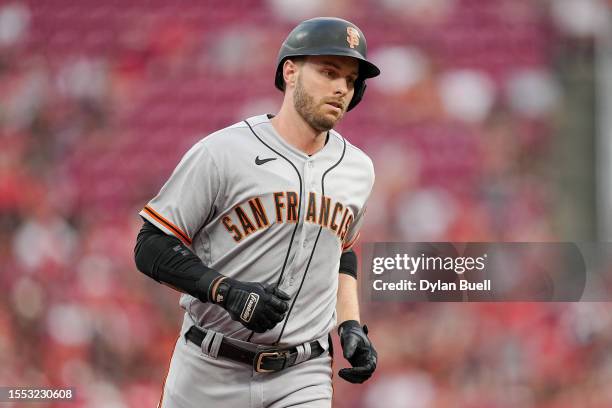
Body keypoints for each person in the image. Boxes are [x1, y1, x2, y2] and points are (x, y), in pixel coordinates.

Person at [134, 16, 380, 408]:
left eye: (350, 81)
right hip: (209, 367)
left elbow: (342, 251)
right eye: (329, 72)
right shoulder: (223, 152)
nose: (340, 88)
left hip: (304, 374)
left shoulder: (358, 168)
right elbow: (150, 246)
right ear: (291, 71)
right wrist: (225, 290)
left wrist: (350, 324)